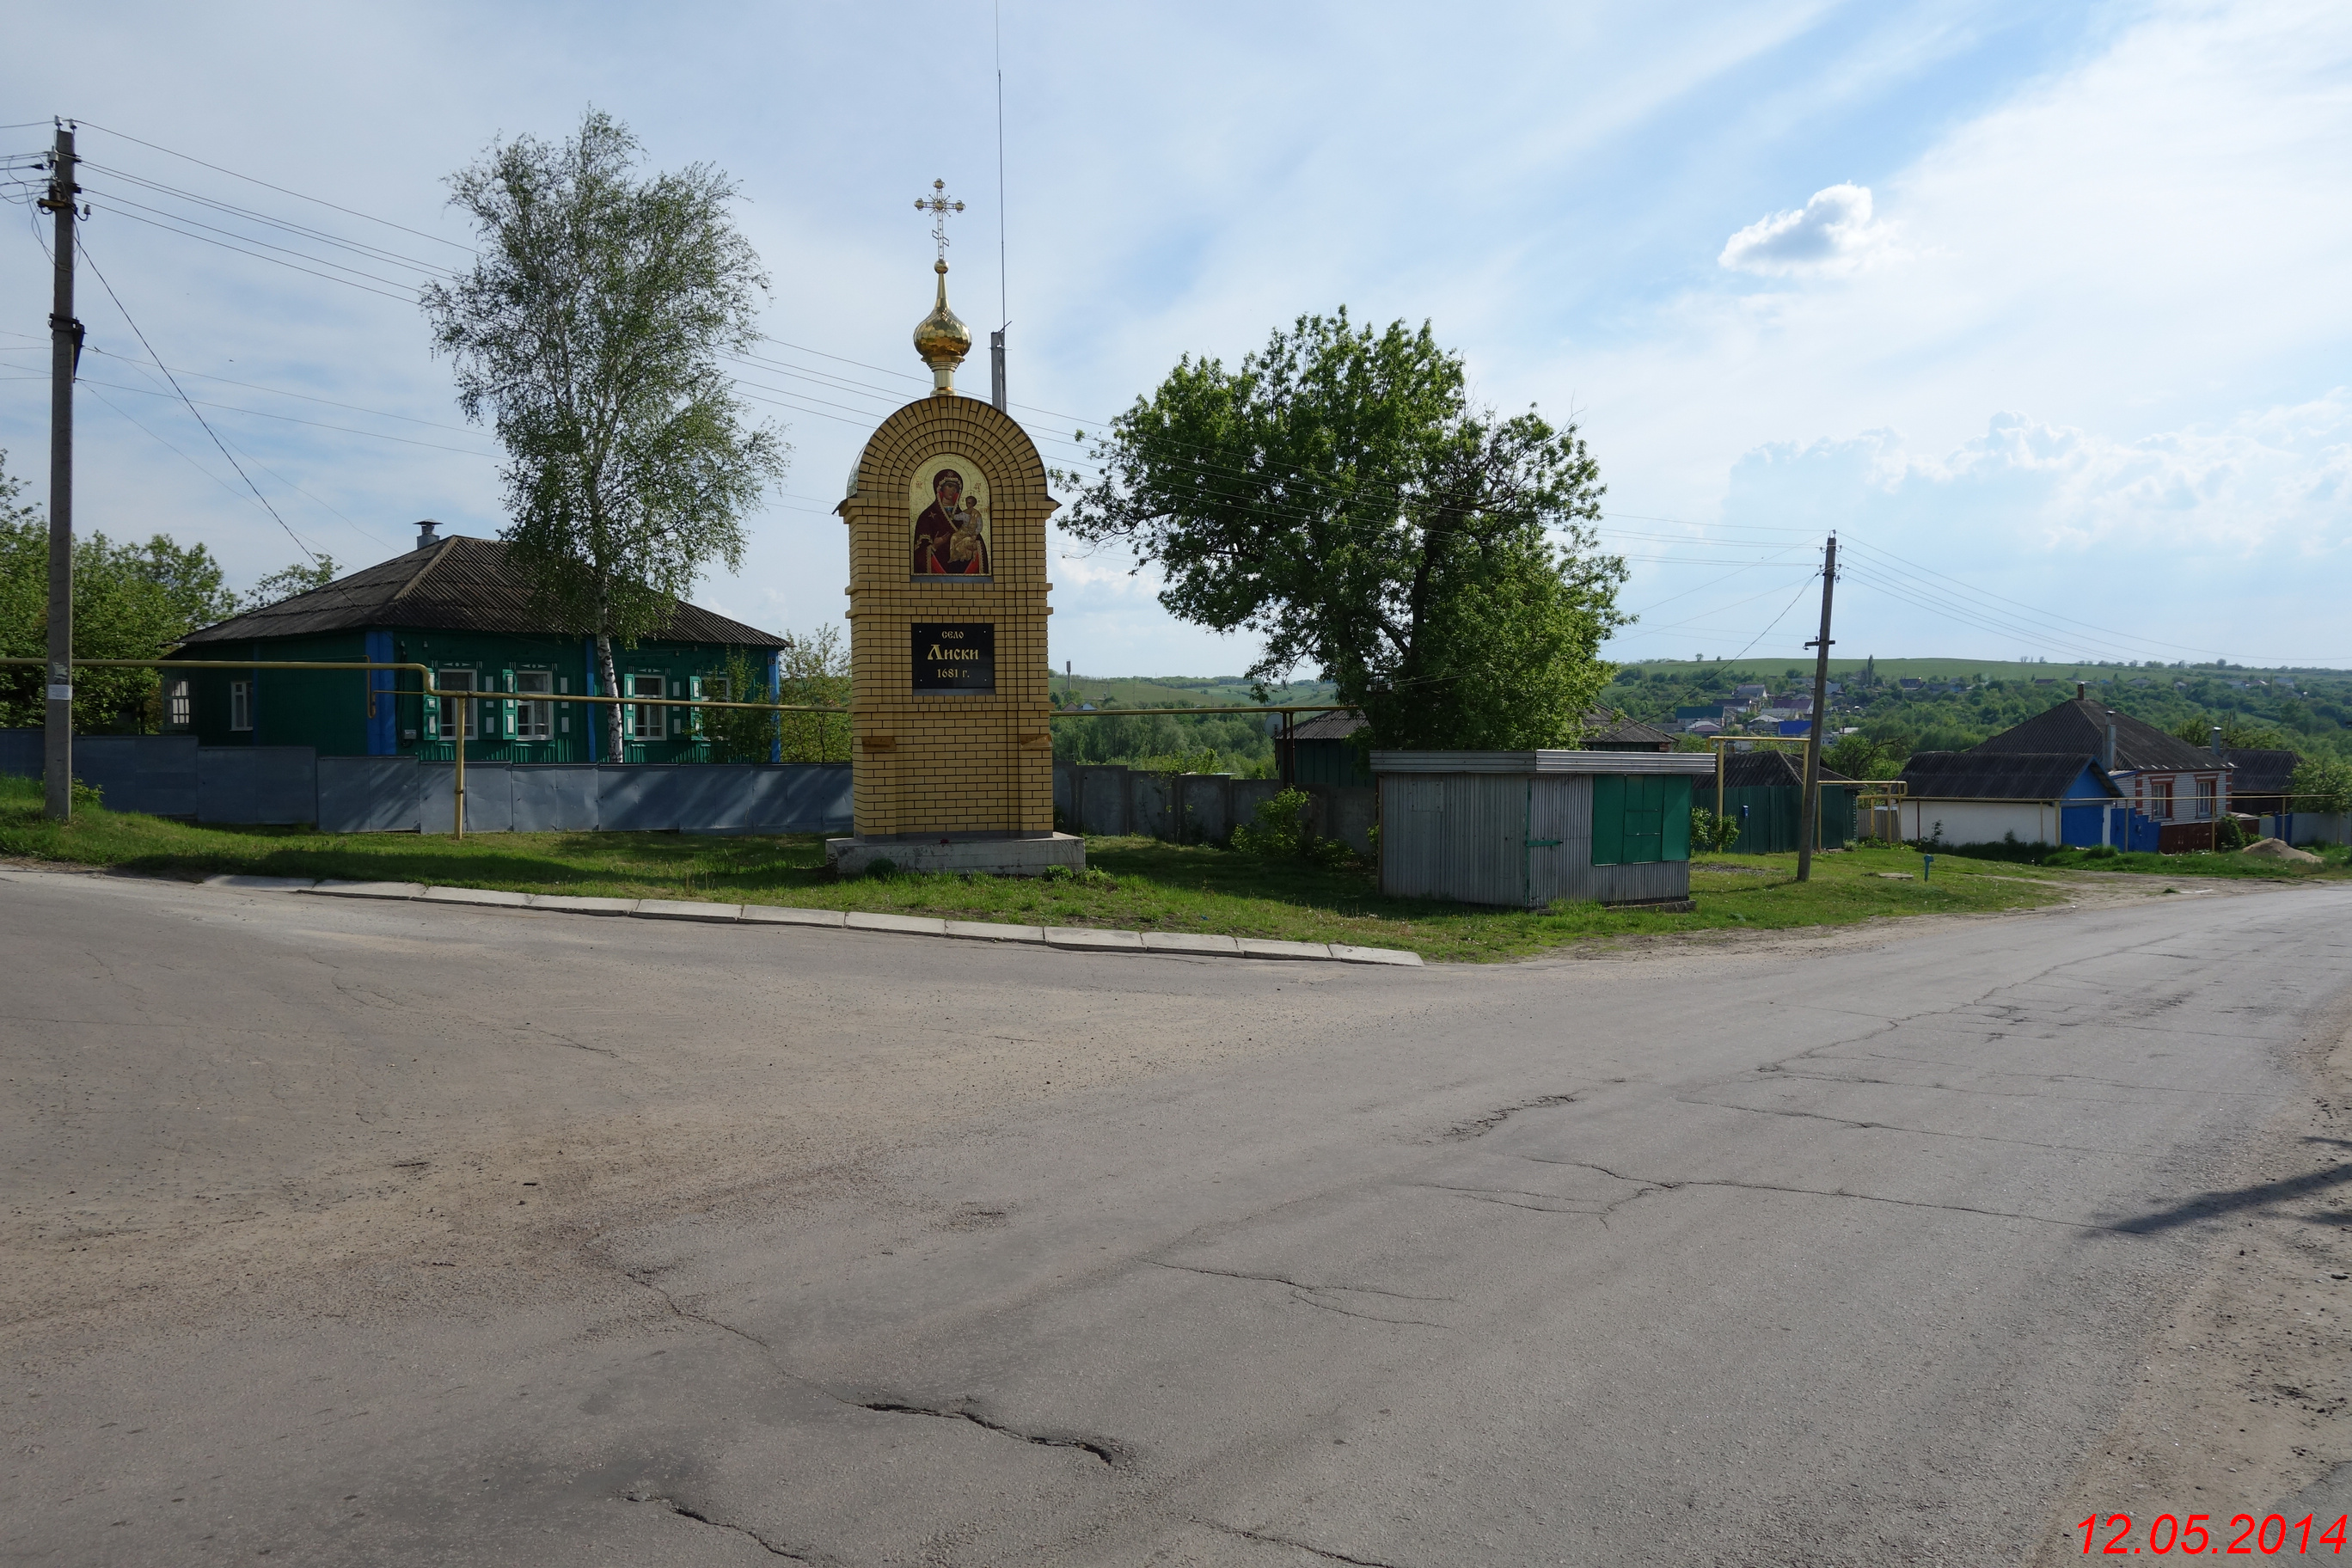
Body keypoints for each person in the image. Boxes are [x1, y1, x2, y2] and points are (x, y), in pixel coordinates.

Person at [911, 468, 988, 575]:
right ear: (941, 488)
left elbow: (979, 542)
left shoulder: (966, 516)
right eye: (950, 486)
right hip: (936, 573)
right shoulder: (926, 517)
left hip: (962, 569)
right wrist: (935, 546)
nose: (953, 490)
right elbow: (918, 554)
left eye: (955, 488)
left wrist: (974, 546)